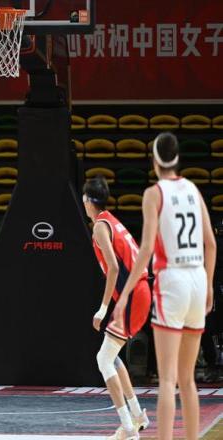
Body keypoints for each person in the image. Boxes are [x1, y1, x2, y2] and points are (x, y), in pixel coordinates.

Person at [115, 132, 217, 440]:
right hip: (197, 278)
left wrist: (124, 296)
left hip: (172, 279)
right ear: (177, 159)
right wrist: (209, 286)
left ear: (155, 160)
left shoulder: (153, 193)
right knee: (188, 380)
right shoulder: (193, 190)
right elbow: (211, 243)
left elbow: (146, 249)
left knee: (168, 380)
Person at [82, 176, 151, 440]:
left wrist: (102, 308)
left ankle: (128, 429)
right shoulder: (111, 220)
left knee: (103, 359)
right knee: (113, 356)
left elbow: (112, 267)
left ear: (88, 201)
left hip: (134, 294)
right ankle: (138, 415)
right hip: (139, 292)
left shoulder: (100, 227)